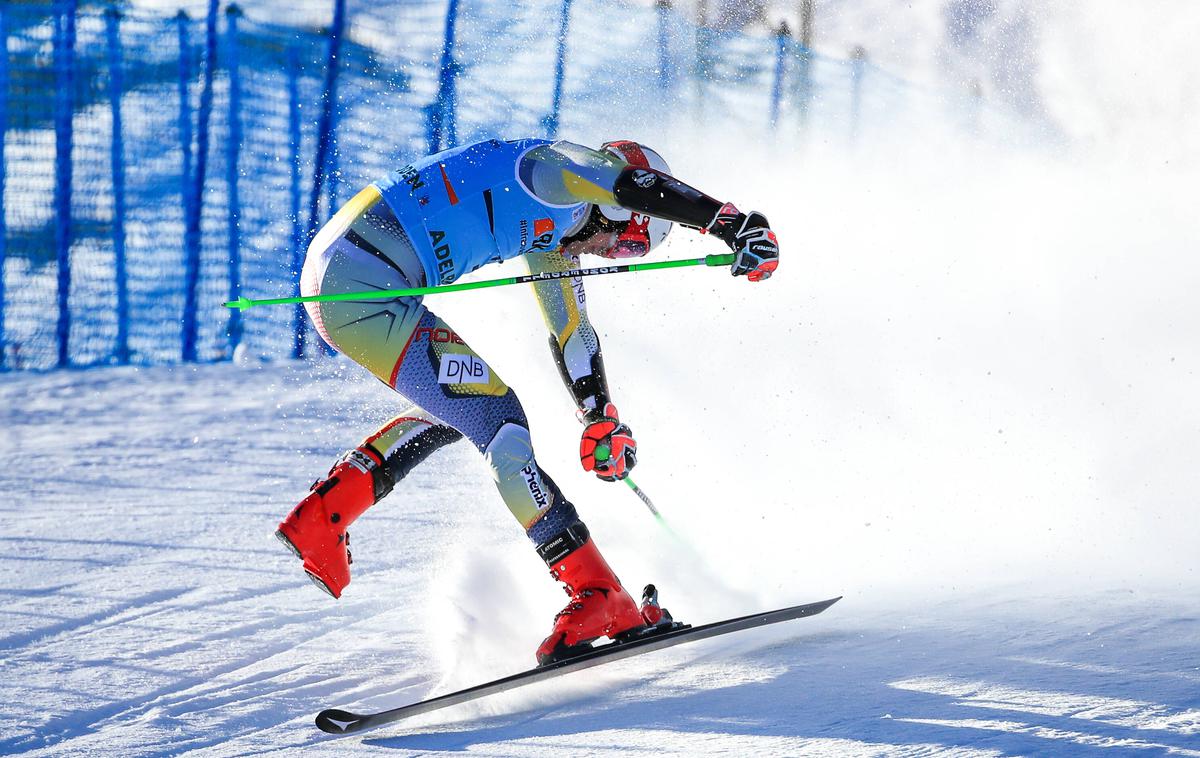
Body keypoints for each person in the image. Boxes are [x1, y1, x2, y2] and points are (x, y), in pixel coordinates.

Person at [275, 138, 779, 665]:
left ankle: (325, 514)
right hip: (363, 279)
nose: (602, 252)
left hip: (349, 274)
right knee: (501, 427)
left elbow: (571, 330)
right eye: (621, 242)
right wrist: (729, 224)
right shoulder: (561, 172)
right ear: (620, 208)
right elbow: (635, 184)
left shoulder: (558, 228)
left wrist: (598, 414)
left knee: (459, 407)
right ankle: (597, 595)